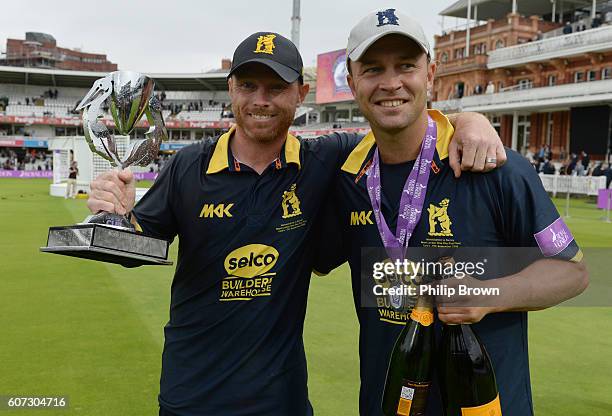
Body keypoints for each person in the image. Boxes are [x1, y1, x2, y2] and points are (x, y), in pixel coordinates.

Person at [87, 32, 505, 416]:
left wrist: (470, 120)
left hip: (281, 400)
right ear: (231, 87)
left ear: (301, 94)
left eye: (277, 88)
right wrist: (119, 217)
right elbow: (136, 250)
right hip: (190, 395)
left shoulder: (324, 158)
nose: (261, 99)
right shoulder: (189, 166)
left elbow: (403, 125)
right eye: (248, 85)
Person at [314, 8, 588, 416]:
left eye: (406, 65)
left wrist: (488, 294)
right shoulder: (347, 178)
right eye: (372, 69)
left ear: (431, 73)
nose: (391, 83)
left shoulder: (497, 168)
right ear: (351, 83)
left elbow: (574, 272)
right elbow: (312, 260)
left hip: (485, 407)